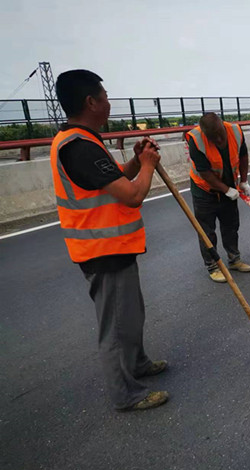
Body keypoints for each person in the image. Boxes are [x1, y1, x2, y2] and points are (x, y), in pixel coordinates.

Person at [51, 70, 168, 411]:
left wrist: (135, 159)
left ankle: (139, 363)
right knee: (116, 326)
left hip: (114, 246)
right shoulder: (79, 148)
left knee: (131, 314)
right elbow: (132, 195)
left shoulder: (86, 141)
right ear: (91, 102)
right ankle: (126, 394)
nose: (108, 102)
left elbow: (118, 179)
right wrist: (148, 164)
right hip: (102, 249)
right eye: (104, 96)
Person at [185, 113, 250, 282]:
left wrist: (244, 181)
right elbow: (205, 173)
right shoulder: (196, 139)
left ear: (223, 126)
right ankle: (213, 266)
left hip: (229, 186)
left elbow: (243, 156)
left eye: (219, 134)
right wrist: (226, 190)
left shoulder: (235, 131)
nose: (217, 138)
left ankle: (234, 260)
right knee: (207, 231)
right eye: (213, 137)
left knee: (231, 225)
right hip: (204, 192)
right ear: (205, 133)